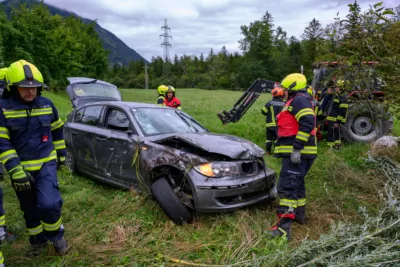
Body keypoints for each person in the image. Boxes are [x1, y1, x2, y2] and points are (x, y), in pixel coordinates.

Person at [0, 60, 68, 257]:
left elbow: (57, 129)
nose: (31, 92)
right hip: (20, 170)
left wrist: (62, 155)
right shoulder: (3, 109)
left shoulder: (47, 104)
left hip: (46, 163)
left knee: (50, 203)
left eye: (35, 88)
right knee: (29, 210)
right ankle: (37, 243)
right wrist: (14, 169)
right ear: (13, 87)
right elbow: (3, 142)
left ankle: (56, 236)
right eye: (24, 88)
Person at [267, 73, 317, 240]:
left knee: (287, 188)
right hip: (302, 153)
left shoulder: (299, 100)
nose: (283, 92)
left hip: (299, 153)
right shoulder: (298, 99)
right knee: (297, 185)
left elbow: (308, 122)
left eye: (286, 90)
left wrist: (297, 148)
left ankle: (282, 230)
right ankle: (299, 215)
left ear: (293, 89)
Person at [261, 87, 285, 154]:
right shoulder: (284, 104)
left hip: (269, 125)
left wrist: (269, 114)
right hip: (279, 125)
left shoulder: (269, 103)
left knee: (269, 139)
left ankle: (268, 152)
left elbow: (263, 111)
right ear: (280, 95)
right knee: (277, 139)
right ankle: (276, 153)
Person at [326, 80, 348, 150]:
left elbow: (343, 111)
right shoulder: (337, 96)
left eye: (337, 87)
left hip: (335, 120)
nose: (335, 88)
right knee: (333, 133)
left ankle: (334, 148)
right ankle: (334, 147)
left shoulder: (342, 97)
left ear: (341, 88)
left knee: (334, 134)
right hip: (332, 119)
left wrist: (337, 122)